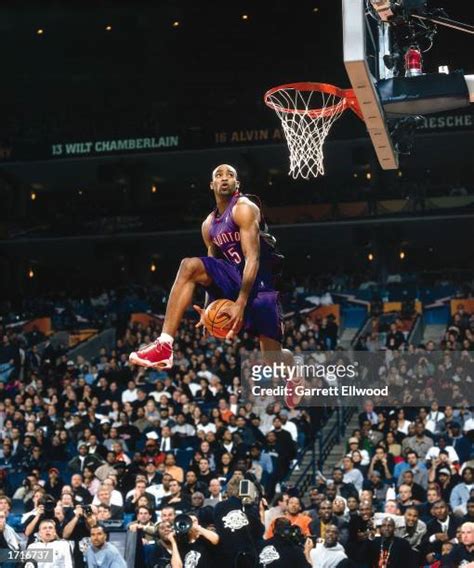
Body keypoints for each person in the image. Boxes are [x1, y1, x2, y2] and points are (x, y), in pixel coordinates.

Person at [129, 164, 301, 407]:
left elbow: (253, 258)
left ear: (237, 184)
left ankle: (294, 375)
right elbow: (212, 265)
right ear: (211, 185)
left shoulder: (244, 209)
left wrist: (240, 303)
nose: (224, 178)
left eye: (230, 175)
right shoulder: (208, 225)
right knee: (189, 266)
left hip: (260, 284)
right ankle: (165, 344)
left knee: (272, 360)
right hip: (232, 277)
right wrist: (208, 307)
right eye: (219, 175)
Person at [213, 475, 264, 567]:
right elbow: (259, 532)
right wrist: (261, 513)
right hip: (247, 560)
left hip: (224, 558)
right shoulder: (250, 508)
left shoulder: (219, 507)